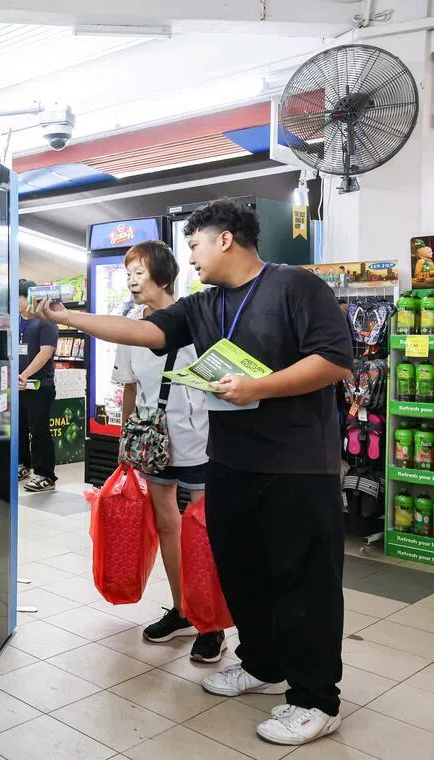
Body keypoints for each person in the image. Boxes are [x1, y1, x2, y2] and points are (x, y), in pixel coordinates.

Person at [35, 200, 352, 747]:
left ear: (226, 238)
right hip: (229, 462)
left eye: (196, 244)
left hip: (298, 465)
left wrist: (259, 386)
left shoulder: (296, 287)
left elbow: (334, 359)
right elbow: (142, 333)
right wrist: (68, 318)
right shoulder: (204, 306)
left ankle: (317, 698)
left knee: (303, 579)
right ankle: (262, 664)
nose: (191, 256)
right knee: (243, 570)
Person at [111, 241, 224, 664]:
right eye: (128, 274)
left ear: (162, 275)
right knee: (166, 523)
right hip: (151, 439)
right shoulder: (127, 326)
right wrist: (126, 441)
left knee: (202, 530)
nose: (132, 281)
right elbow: (128, 385)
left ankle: (211, 622)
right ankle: (181, 610)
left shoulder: (194, 320)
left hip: (196, 436)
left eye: (139, 272)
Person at [18, 280, 59, 492]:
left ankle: (45, 474)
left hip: (40, 386)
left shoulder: (46, 321)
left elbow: (46, 352)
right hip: (18, 386)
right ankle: (23, 464)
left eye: (16, 297)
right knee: (19, 427)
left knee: (39, 430)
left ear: (28, 298)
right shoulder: (14, 321)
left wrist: (24, 375)